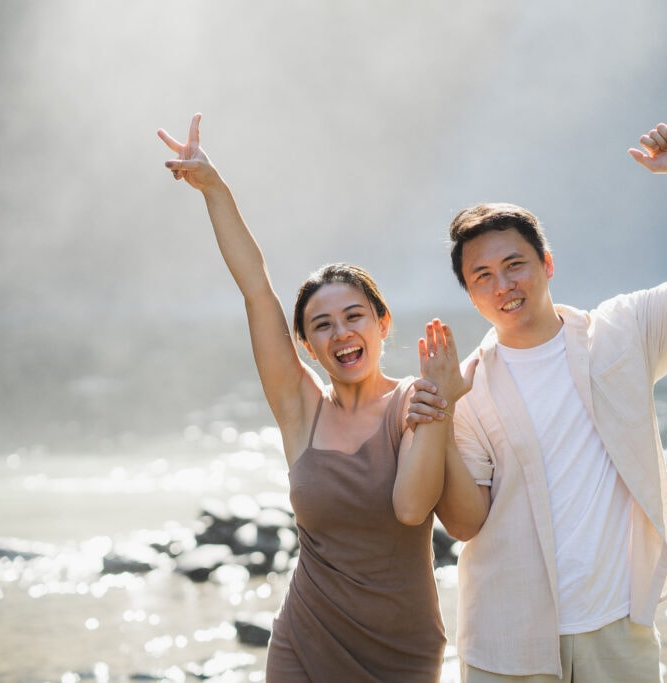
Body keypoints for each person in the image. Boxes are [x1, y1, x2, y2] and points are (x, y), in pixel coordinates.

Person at [409, 122, 667, 682]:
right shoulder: (468, 384)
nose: (503, 285)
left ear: (547, 263)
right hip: (506, 638)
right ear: (470, 293)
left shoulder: (622, 332)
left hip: (616, 628)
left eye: (515, 264)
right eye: (483, 276)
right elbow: (466, 524)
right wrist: (442, 415)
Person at [157, 113, 469, 683]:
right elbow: (256, 289)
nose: (341, 333)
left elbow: (410, 509)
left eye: (354, 316)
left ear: (382, 323)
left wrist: (439, 408)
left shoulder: (417, 401)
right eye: (321, 325)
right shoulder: (300, 409)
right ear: (305, 343)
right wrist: (215, 190)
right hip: (305, 640)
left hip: (401, 652)